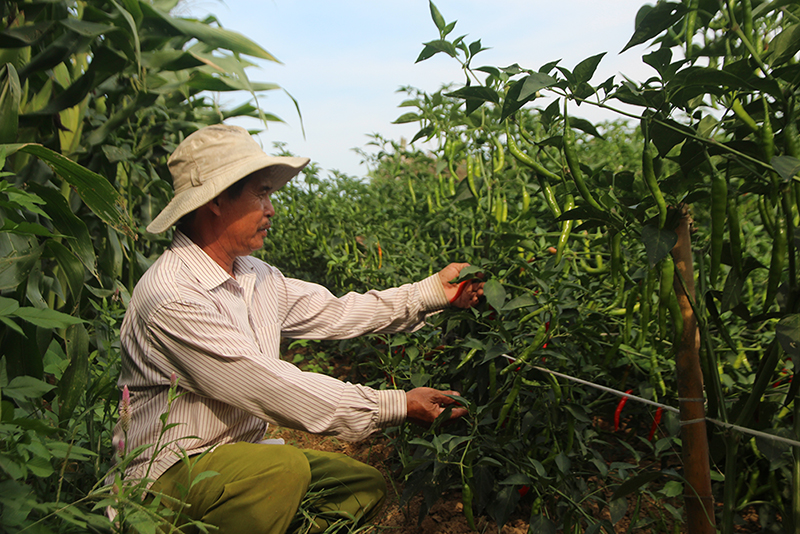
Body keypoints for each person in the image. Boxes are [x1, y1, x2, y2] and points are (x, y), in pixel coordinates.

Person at [112, 124, 484, 534]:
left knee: (361, 485)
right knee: (284, 469)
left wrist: (432, 292)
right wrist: (397, 405)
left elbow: (339, 312)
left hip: (240, 461)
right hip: (166, 478)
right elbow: (271, 386)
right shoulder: (173, 296)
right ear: (216, 200)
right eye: (261, 193)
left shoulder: (256, 275)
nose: (271, 209)